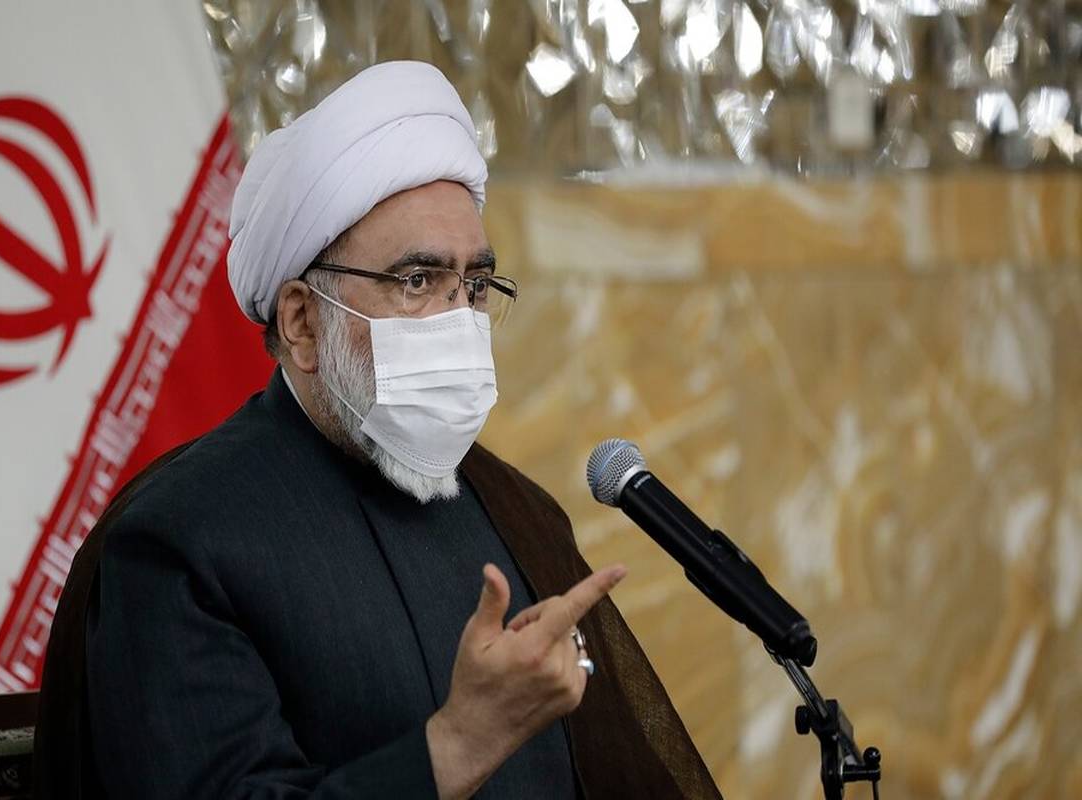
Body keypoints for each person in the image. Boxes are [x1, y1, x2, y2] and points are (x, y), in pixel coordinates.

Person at [36, 61, 721, 799]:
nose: (458, 319)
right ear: (303, 323)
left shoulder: (513, 509)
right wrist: (458, 745)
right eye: (417, 282)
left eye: (475, 286)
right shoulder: (181, 541)